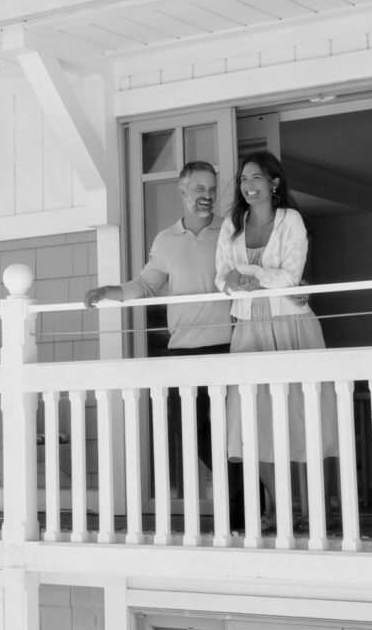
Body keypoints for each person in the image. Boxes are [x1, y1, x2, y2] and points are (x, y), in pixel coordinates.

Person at [84, 160, 245, 526]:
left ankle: (242, 512)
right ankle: (242, 498)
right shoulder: (165, 240)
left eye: (211, 188)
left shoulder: (231, 232)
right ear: (183, 192)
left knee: (233, 433)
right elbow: (145, 284)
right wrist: (110, 291)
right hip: (182, 351)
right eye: (198, 188)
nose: (206, 195)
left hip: (227, 346)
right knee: (193, 431)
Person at [216, 150, 337, 527]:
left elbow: (291, 274)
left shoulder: (291, 220)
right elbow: (221, 280)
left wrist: (247, 276)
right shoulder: (231, 224)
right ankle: (278, 507)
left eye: (255, 178)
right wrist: (239, 281)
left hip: (291, 326)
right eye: (243, 180)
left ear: (274, 183)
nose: (248, 186)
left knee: (307, 414)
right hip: (248, 329)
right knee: (254, 418)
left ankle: (320, 508)